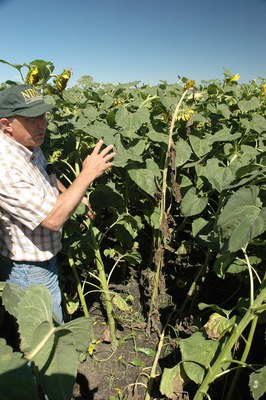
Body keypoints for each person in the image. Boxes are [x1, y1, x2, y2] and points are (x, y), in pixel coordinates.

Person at [0, 84, 116, 324]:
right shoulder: (5, 167)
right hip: (27, 271)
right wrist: (87, 174)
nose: (42, 124)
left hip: (44, 260)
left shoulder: (28, 142)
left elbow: (47, 173)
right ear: (6, 125)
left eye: (43, 115)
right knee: (44, 341)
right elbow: (53, 219)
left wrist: (74, 195)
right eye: (32, 118)